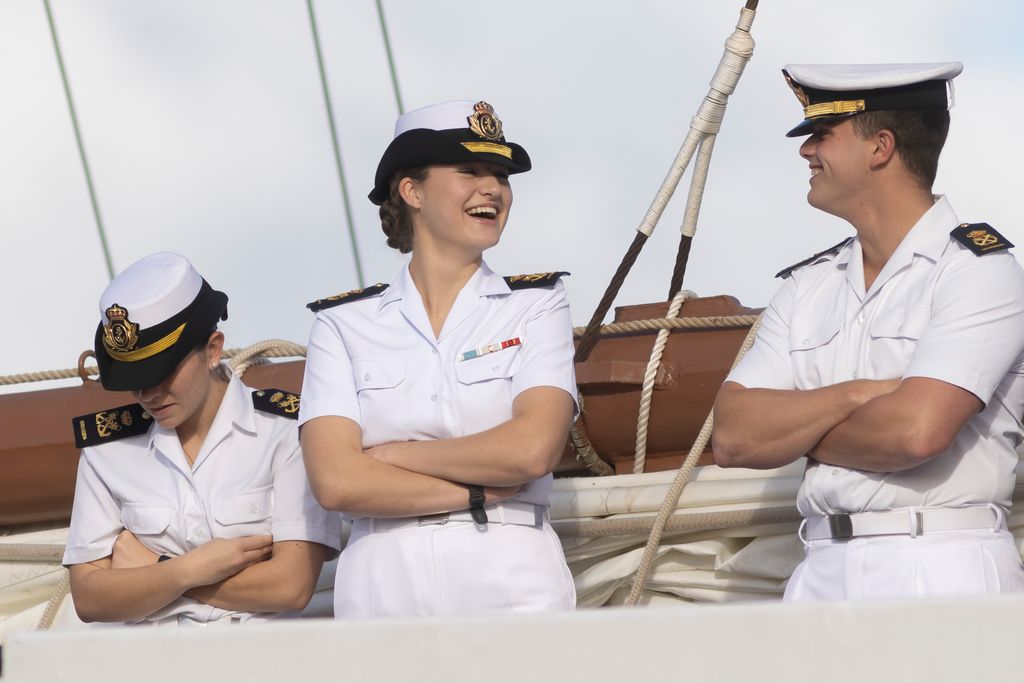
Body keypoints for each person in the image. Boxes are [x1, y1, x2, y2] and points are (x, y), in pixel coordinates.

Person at [712, 63, 1024, 601]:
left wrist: (797, 435)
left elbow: (915, 433)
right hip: (818, 571)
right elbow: (735, 436)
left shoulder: (979, 271)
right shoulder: (805, 287)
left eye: (822, 136)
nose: (806, 152)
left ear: (880, 148)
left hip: (939, 566)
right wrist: (861, 395)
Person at [299, 100, 578, 617]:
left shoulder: (537, 305)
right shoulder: (342, 325)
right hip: (382, 583)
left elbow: (532, 451)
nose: (492, 188)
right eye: (470, 171)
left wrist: (390, 456)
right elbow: (336, 481)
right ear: (412, 191)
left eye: (500, 175)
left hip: (511, 574)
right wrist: (478, 491)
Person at [63, 251, 341, 625]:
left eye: (161, 373)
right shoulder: (106, 452)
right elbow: (90, 599)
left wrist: (155, 569)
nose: (148, 393)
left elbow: (289, 587)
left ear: (212, 349)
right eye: (134, 380)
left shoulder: (287, 432)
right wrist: (188, 571)